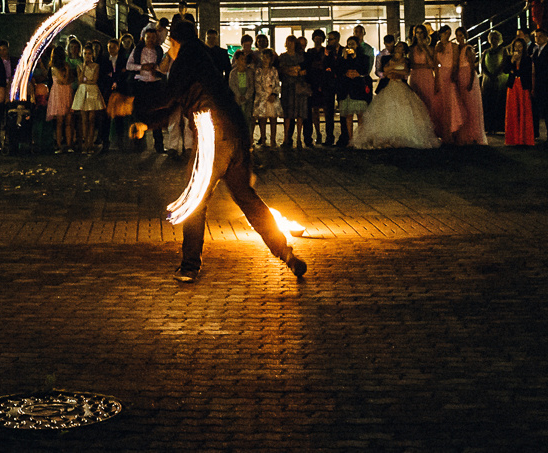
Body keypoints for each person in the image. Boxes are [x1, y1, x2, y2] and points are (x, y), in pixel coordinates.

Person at [110, 15, 306, 284]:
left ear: (176, 42)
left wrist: (131, 104)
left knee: (194, 202)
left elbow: (168, 96)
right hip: (236, 135)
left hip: (212, 135)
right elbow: (177, 102)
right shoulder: (203, 59)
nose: (169, 51)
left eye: (171, 45)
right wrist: (146, 122)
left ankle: (190, 265)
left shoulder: (185, 59)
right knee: (246, 198)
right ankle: (284, 251)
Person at [352, 43, 439, 149]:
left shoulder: (406, 61)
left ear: (404, 50)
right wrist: (393, 71)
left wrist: (393, 70)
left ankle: (403, 136)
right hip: (390, 85)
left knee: (403, 109)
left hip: (400, 85)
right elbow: (385, 72)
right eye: (397, 46)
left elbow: (405, 72)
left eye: (401, 47)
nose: (398, 48)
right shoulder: (388, 59)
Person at [337, 38, 373, 143]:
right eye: (348, 44)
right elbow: (339, 70)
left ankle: (361, 139)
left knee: (360, 115)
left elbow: (365, 70)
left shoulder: (364, 57)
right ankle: (350, 139)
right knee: (348, 115)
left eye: (353, 44)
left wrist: (356, 59)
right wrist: (344, 59)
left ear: (357, 45)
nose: (350, 46)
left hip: (358, 88)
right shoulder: (344, 58)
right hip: (347, 88)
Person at [502, 33, 535, 146]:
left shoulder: (527, 59)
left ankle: (524, 138)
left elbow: (527, 72)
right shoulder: (509, 58)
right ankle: (513, 138)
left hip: (523, 85)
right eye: (516, 46)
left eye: (520, 46)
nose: (517, 48)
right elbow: (505, 70)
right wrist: (512, 61)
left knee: (523, 110)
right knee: (513, 110)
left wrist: (514, 71)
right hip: (512, 86)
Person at [452, 38, 486, 145]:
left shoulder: (468, 48)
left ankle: (473, 134)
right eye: (457, 36)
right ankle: (465, 134)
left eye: (461, 35)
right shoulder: (458, 49)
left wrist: (471, 81)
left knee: (472, 106)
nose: (459, 38)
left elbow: (472, 65)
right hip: (461, 76)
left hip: (467, 75)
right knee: (464, 105)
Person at [278, 37, 310, 148]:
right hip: (287, 88)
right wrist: (292, 70)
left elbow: (302, 71)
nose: (290, 45)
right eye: (288, 42)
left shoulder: (300, 57)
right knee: (288, 114)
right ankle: (286, 138)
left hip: (298, 88)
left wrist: (293, 71)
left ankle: (299, 139)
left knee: (300, 113)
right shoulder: (282, 57)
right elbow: (282, 70)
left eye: (292, 43)